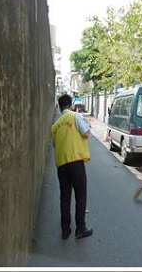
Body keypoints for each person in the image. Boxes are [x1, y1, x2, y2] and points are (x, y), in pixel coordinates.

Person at [50, 93, 93, 240]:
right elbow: (86, 134)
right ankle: (80, 228)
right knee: (80, 195)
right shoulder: (75, 116)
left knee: (65, 196)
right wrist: (87, 124)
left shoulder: (55, 126)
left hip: (61, 165)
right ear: (70, 105)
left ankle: (65, 229)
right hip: (75, 161)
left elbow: (56, 145)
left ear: (60, 106)